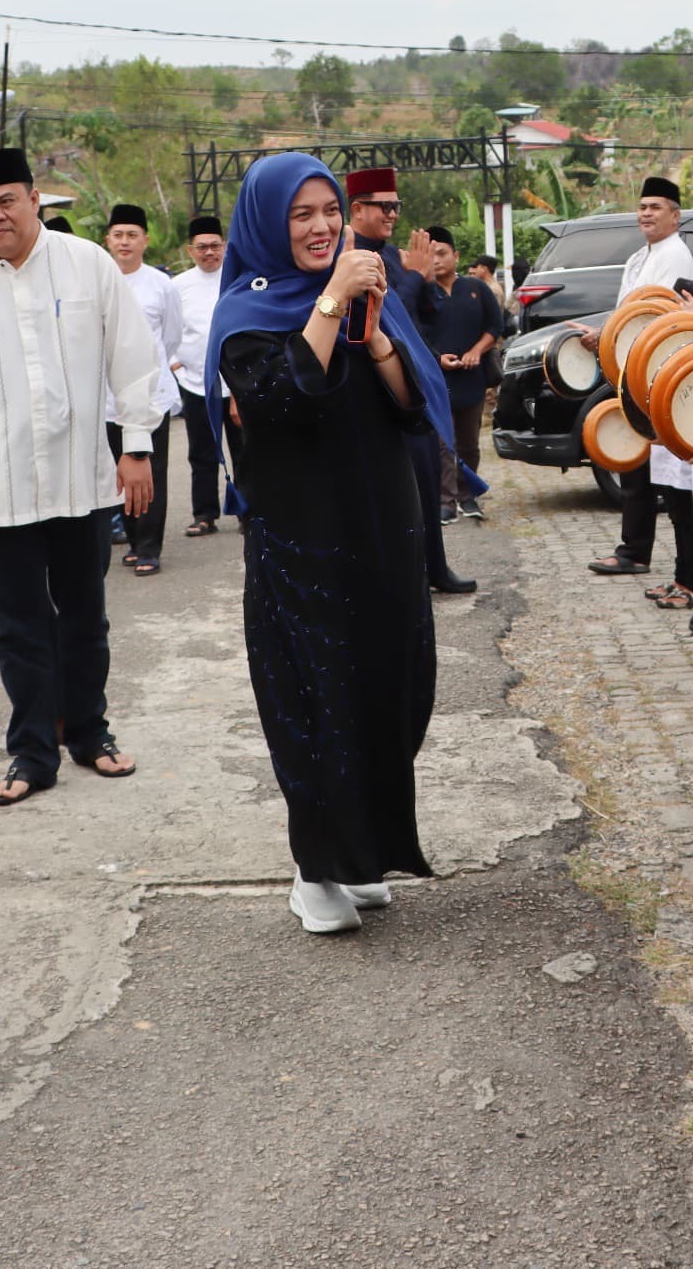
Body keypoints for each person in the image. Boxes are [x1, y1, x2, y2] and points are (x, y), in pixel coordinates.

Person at [208, 155, 446, 934]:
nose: (320, 227)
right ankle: (316, 872)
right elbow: (280, 400)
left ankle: (363, 855)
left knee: (392, 691)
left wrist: (376, 336)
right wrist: (331, 301)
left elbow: (414, 410)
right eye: (300, 215)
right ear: (267, 224)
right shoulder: (248, 314)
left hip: (383, 527)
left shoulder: (370, 299)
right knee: (318, 703)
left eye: (328, 212)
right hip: (302, 544)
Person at [0, 146, 161, 808]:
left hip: (82, 480)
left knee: (86, 617)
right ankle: (31, 752)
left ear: (33, 198)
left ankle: (90, 733)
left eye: (6, 201)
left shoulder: (88, 266)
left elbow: (134, 360)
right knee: (17, 628)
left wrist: (136, 446)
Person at [345, 166, 478, 596]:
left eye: (396, 206)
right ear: (357, 209)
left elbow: (427, 318)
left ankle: (435, 567)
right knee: (396, 493)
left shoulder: (395, 257)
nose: (392, 215)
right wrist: (418, 280)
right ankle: (408, 575)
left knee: (425, 482)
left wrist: (426, 281)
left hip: (413, 390)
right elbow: (375, 317)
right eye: (383, 206)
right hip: (378, 392)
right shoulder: (352, 260)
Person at [580, 176, 693, 598]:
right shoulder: (640, 256)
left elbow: (656, 317)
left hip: (655, 371)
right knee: (637, 467)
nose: (646, 213)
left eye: (655, 207)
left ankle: (644, 554)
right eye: (642, 206)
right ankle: (636, 550)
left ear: (675, 214)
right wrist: (603, 335)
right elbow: (625, 315)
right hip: (631, 368)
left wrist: (613, 338)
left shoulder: (676, 257)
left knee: (658, 473)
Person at [103, 204, 183, 576]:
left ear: (145, 241)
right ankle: (133, 541)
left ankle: (150, 546)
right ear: (108, 240)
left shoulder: (161, 284)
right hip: (106, 399)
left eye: (132, 235)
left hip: (153, 396)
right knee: (115, 472)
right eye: (118, 235)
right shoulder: (98, 280)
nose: (124, 242)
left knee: (152, 470)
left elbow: (170, 338)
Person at [421, 225, 502, 521]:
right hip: (436, 380)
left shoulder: (476, 289)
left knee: (469, 441)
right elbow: (415, 334)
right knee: (443, 442)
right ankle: (446, 500)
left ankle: (468, 496)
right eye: (430, 255)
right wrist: (437, 358)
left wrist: (476, 351)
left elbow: (495, 326)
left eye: (442, 253)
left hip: (471, 378)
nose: (436, 260)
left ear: (455, 255)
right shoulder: (421, 294)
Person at [173, 213, 228, 537]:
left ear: (224, 247)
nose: (209, 253)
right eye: (202, 247)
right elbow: (164, 328)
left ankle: (248, 511)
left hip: (236, 383)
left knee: (246, 451)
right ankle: (205, 514)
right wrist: (172, 360)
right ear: (191, 250)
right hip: (195, 382)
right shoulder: (177, 286)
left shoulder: (235, 278)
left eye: (215, 246)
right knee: (202, 453)